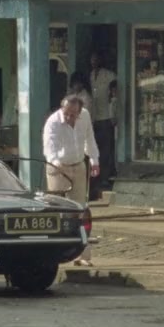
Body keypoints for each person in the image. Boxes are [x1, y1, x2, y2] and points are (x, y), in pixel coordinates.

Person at [42, 96, 98, 266]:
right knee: (58, 210)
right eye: (66, 113)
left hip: (78, 165)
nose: (69, 118)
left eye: (73, 115)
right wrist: (57, 165)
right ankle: (55, 253)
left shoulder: (85, 116)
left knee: (80, 209)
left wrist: (94, 160)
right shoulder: (53, 122)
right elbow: (49, 149)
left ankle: (83, 254)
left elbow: (89, 138)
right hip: (58, 167)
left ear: (79, 112)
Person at [87, 52, 118, 197]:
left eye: (96, 59)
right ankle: (97, 178)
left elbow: (115, 92)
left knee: (106, 150)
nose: (94, 62)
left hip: (106, 117)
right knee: (95, 150)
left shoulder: (109, 75)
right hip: (94, 118)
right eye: (92, 59)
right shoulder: (90, 75)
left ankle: (105, 177)